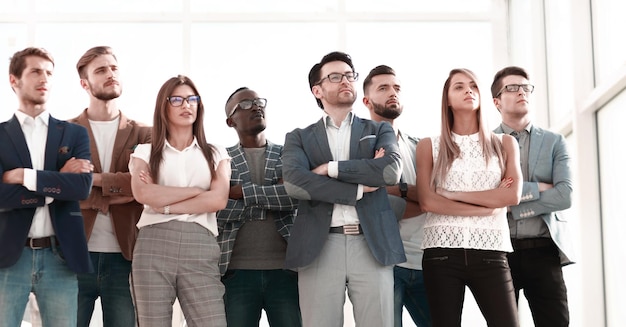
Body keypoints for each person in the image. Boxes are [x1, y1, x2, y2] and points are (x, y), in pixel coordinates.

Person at [282, 51, 405, 327]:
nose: (346, 81)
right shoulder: (299, 137)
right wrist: (358, 189)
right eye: (335, 77)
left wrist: (330, 169)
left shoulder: (379, 130)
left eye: (349, 76)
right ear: (318, 90)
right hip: (320, 244)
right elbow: (295, 183)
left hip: (372, 242)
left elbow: (388, 171)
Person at [415, 68, 523, 326]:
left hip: (491, 252)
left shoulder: (505, 143)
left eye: (473, 86)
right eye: (459, 87)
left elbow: (511, 195)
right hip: (441, 254)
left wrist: (453, 195)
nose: (468, 91)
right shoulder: (428, 146)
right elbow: (428, 202)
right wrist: (486, 205)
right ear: (447, 100)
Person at [0, 47, 94, 327]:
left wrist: (25, 176)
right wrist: (56, 183)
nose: (45, 78)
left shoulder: (74, 133)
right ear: (14, 80)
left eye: (49, 73)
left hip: (60, 257)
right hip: (8, 257)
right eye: (36, 71)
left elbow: (80, 189)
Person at [129, 75, 230, 327]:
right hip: (153, 245)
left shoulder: (216, 153)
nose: (187, 105)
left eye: (192, 99)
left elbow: (218, 199)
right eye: (177, 99)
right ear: (164, 106)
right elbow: (144, 195)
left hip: (201, 244)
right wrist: (197, 190)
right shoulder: (145, 152)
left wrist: (164, 203)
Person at [68, 46, 152, 327]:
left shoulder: (144, 133)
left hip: (125, 259)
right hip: (74, 258)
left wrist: (95, 181)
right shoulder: (63, 132)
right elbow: (60, 189)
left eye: (114, 68)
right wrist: (120, 191)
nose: (110, 74)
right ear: (85, 83)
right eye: (101, 70)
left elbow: (145, 186)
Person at [491, 66, 574, 327]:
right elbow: (488, 196)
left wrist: (512, 203)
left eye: (526, 87)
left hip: (545, 252)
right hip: (499, 253)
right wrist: (539, 188)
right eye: (512, 88)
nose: (521, 92)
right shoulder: (486, 143)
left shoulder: (555, 141)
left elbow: (564, 196)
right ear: (496, 101)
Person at [217, 87, 301, 327]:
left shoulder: (288, 154)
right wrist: (272, 193)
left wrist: (243, 192)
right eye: (245, 104)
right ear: (230, 120)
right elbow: (218, 209)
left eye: (258, 101)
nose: (255, 106)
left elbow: (294, 198)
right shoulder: (221, 158)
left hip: (286, 271)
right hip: (235, 272)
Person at [363, 65, 431, 327]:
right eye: (383, 88)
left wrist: (395, 189)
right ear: (367, 101)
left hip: (425, 260)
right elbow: (371, 202)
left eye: (397, 88)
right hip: (382, 263)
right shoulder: (359, 145)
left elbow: (431, 199)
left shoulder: (420, 146)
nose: (392, 93)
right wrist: (416, 196)